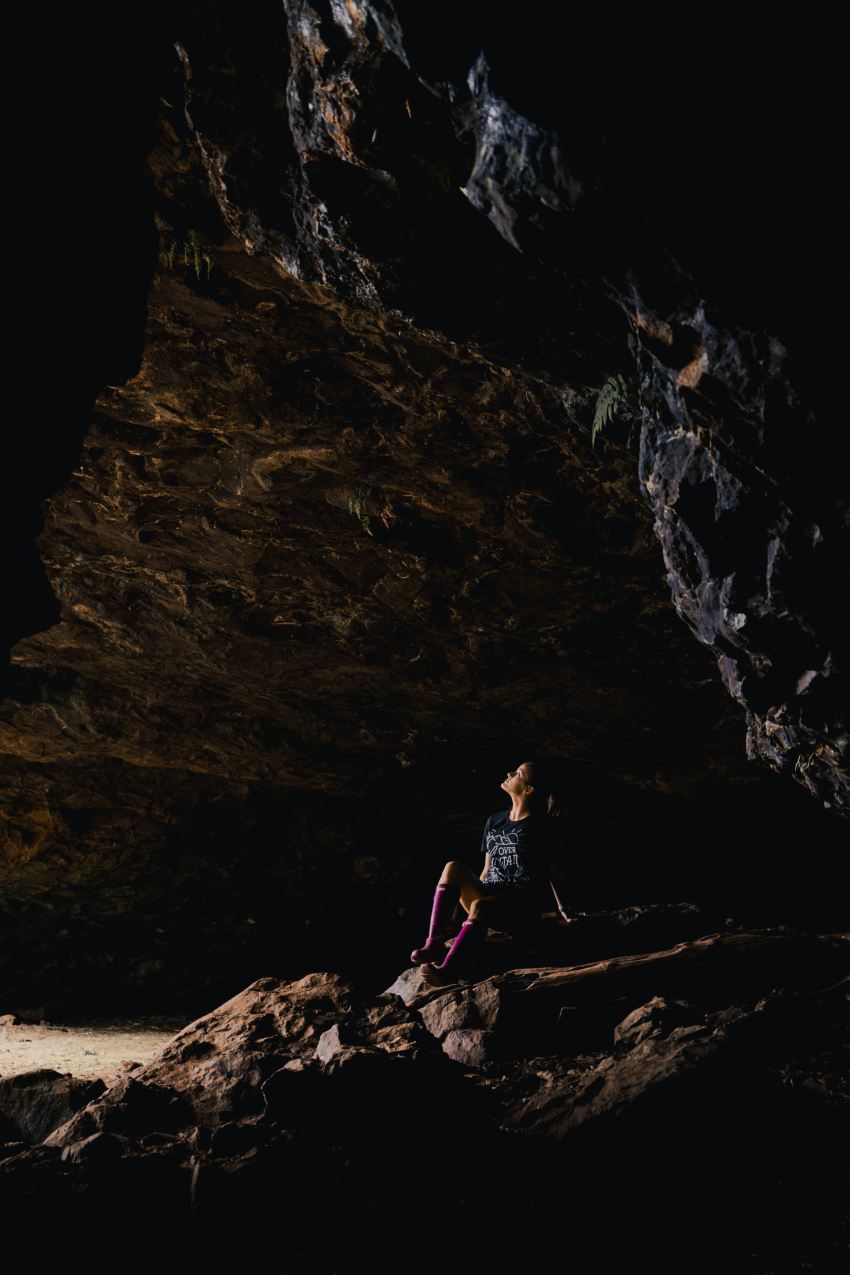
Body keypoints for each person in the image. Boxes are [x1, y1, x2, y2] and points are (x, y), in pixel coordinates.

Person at [410, 759, 573, 988]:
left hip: (520, 903)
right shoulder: (494, 821)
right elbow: (487, 869)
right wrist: (468, 913)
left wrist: (564, 909)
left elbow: (553, 871)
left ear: (528, 789)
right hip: (490, 896)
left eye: (517, 773)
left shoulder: (541, 826)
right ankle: (433, 943)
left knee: (481, 906)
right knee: (453, 866)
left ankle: (448, 971)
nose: (509, 773)